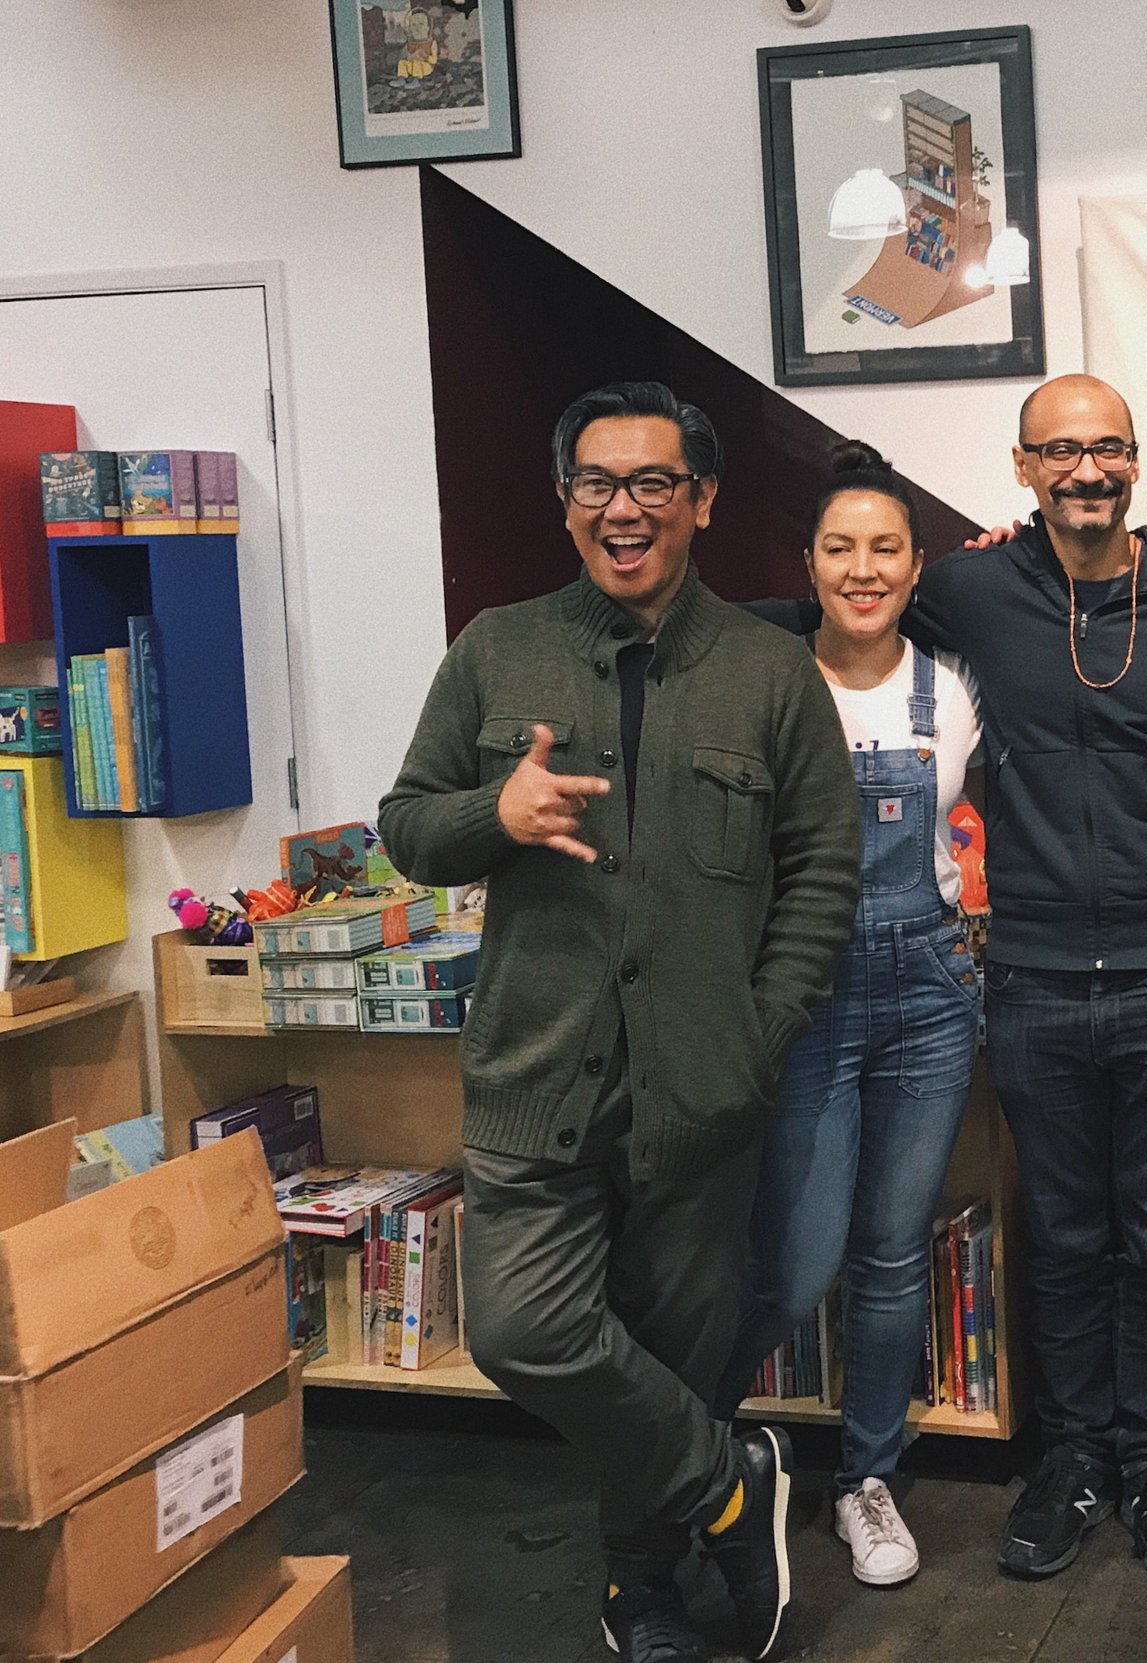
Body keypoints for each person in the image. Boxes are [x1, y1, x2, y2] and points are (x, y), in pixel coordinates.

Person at [751, 375, 1147, 1590]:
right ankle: (1075, 1456)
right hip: (1034, 976)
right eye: (1061, 452)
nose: (1085, 471)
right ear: (1022, 466)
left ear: (1135, 461)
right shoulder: (971, 590)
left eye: (1106, 449)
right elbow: (834, 608)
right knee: (1062, 1232)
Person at [377, 382, 861, 1663]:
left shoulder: (770, 671)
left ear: (703, 501)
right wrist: (499, 814)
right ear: (565, 499)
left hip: (705, 1085)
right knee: (525, 1330)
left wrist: (761, 1031)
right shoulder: (498, 646)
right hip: (534, 1073)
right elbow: (408, 823)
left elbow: (823, 869)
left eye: (653, 482)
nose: (623, 507)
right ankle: (726, 1481)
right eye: (596, 481)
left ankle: (637, 1588)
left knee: (675, 1351)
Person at [710, 441, 984, 1589]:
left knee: (887, 1257)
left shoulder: (957, 688)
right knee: (799, 1254)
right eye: (839, 548)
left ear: (918, 565)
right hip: (806, 991)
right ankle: (682, 1437)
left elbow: (979, 827)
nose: (862, 570)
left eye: (885, 548)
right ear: (808, 565)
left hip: (930, 992)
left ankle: (865, 1477)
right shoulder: (760, 676)